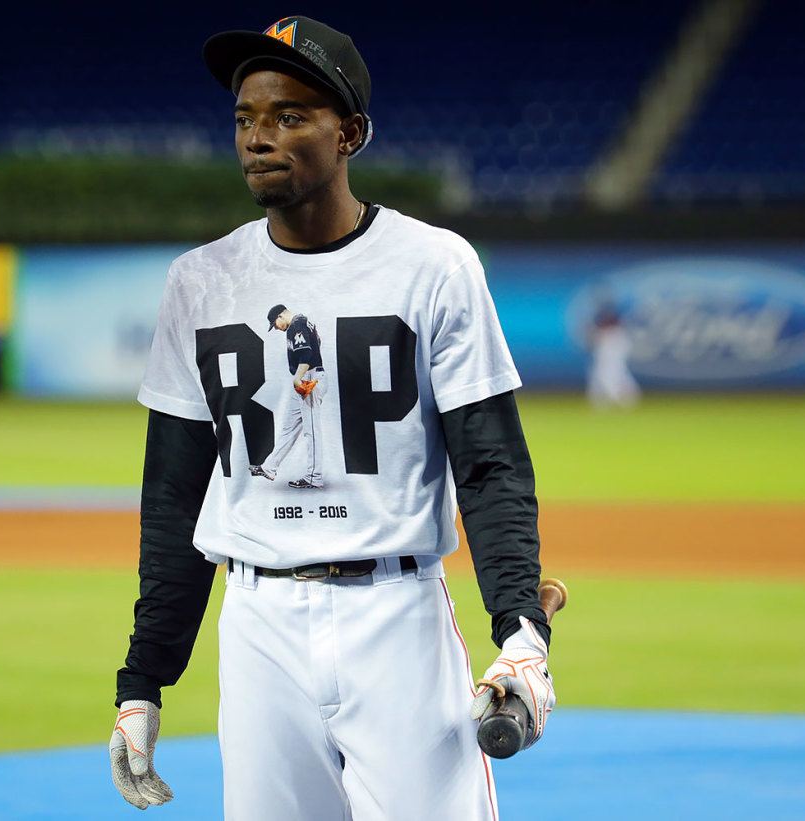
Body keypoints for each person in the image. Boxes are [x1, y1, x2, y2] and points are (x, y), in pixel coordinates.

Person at [110, 16, 555, 820]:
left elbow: (488, 463)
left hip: (397, 616)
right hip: (257, 627)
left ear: (349, 132)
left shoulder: (434, 265)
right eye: (245, 118)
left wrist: (521, 628)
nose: (258, 137)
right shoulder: (198, 282)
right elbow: (175, 498)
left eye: (288, 116)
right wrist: (144, 681)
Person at [250, 303, 327, 488]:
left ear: (280, 316)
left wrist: (298, 377)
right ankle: (269, 467)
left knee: (311, 430)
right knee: (289, 427)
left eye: (275, 324)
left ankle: (314, 477)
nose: (276, 328)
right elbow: (316, 344)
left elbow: (307, 354)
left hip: (309, 378)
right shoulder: (303, 322)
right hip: (309, 375)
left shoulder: (297, 325)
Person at [586, 293, 640, 408]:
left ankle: (620, 399)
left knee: (609, 373)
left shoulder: (613, 316)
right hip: (612, 344)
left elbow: (611, 326)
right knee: (609, 373)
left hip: (614, 343)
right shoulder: (603, 315)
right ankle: (612, 400)